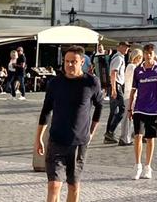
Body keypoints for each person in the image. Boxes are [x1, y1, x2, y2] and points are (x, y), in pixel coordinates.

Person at [36, 46, 103, 202]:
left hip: (79, 143)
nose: (69, 65)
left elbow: (99, 105)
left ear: (82, 62)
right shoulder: (55, 83)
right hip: (56, 141)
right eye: (67, 61)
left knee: (73, 186)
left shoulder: (91, 82)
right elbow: (46, 110)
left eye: (74, 61)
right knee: (53, 185)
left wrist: (92, 131)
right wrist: (38, 138)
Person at [128, 43, 157, 181]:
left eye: (150, 54)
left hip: (154, 109)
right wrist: (130, 107)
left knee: (150, 138)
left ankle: (148, 166)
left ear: (154, 55)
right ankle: (138, 165)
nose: (148, 56)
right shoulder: (138, 70)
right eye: (146, 53)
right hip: (139, 108)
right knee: (137, 136)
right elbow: (133, 90)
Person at [102, 41, 129, 145]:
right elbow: (113, 73)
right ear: (120, 47)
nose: (127, 49)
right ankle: (110, 132)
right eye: (125, 47)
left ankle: (108, 134)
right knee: (122, 109)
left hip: (116, 85)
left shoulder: (118, 57)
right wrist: (114, 89)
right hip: (116, 85)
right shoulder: (118, 58)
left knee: (113, 111)